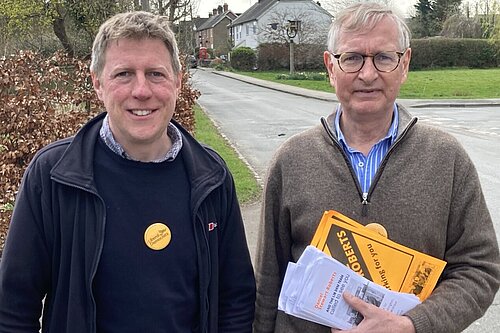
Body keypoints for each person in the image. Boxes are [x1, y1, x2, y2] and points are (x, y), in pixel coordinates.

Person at [0, 11, 255, 332]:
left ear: (177, 82)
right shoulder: (52, 175)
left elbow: (235, 298)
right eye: (123, 74)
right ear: (98, 84)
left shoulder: (212, 177)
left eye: (155, 74)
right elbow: (12, 306)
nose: (141, 90)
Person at [253, 3, 500, 333]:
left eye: (383, 58)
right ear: (331, 66)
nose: (367, 74)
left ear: (405, 64)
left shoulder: (447, 159)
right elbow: (267, 282)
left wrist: (411, 325)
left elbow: (480, 268)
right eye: (352, 58)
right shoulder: (291, 160)